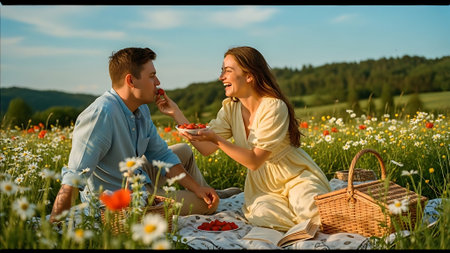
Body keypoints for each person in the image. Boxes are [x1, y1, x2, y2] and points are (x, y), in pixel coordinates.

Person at [156, 46, 332, 232]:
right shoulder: (230, 109)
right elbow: (205, 148)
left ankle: (308, 221)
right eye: (221, 70)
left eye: (228, 71)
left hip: (295, 175)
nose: (221, 77)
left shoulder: (274, 107)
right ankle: (299, 228)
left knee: (313, 212)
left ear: (249, 76)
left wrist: (217, 139)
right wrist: (175, 113)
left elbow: (255, 160)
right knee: (264, 217)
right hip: (262, 186)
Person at [49, 47, 235, 222]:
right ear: (131, 81)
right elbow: (73, 178)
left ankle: (209, 193)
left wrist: (197, 188)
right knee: (204, 205)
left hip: (137, 178)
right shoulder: (101, 114)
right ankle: (210, 202)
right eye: (152, 76)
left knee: (183, 150)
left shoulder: (141, 109)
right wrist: (55, 225)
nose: (158, 82)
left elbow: (161, 154)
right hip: (123, 201)